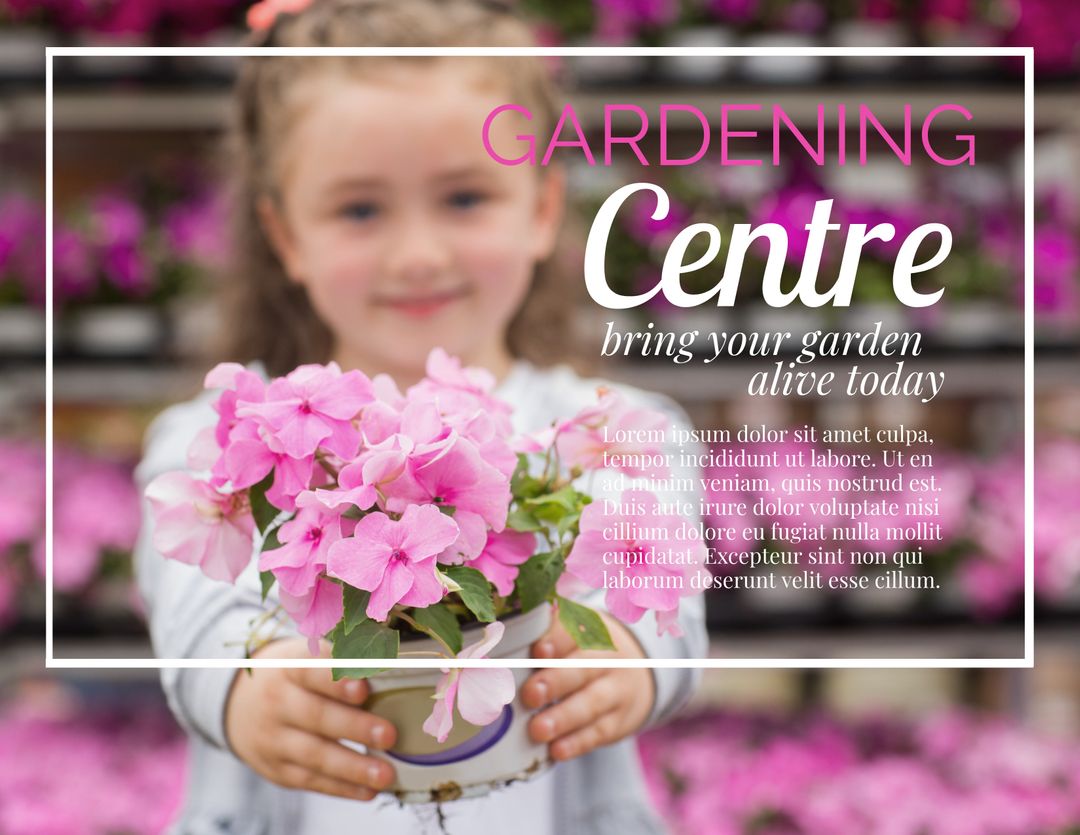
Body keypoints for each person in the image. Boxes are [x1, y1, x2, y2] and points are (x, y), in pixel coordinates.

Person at [134, 2, 707, 833]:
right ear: (284, 234)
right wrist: (242, 685)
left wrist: (633, 664)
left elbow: (667, 606)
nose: (418, 254)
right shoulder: (231, 437)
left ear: (544, 209)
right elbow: (194, 607)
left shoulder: (614, 427)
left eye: (466, 198)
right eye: (360, 210)